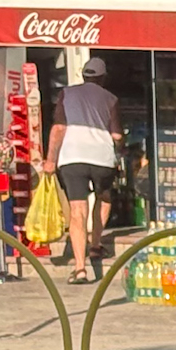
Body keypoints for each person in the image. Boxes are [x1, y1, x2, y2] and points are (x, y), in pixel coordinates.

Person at [46, 55, 121, 283]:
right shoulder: (111, 99)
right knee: (104, 197)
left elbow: (59, 128)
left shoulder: (66, 94)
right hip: (101, 157)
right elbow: (116, 135)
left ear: (83, 75)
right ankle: (96, 245)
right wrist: (121, 149)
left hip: (72, 157)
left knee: (77, 211)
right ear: (103, 78)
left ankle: (80, 269)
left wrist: (51, 159)